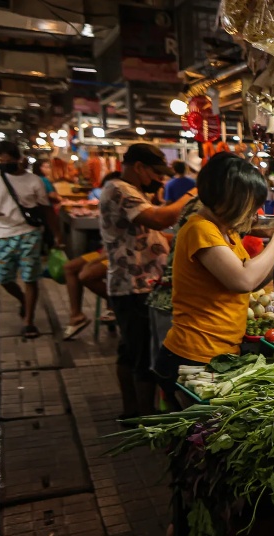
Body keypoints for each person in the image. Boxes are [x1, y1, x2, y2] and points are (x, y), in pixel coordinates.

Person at [153, 153, 274, 399]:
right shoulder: (200, 229)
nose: (255, 211)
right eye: (251, 203)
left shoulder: (225, 231)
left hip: (218, 352)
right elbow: (242, 280)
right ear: (230, 198)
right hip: (194, 355)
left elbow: (253, 281)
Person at [99, 143, 197, 420]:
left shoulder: (132, 191)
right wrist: (192, 193)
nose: (158, 180)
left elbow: (148, 236)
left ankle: (134, 412)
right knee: (140, 354)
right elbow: (159, 219)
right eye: (154, 173)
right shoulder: (119, 189)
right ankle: (144, 416)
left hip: (139, 284)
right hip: (133, 285)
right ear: (139, 167)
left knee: (131, 350)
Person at [0, 141, 60, 338]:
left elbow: (46, 209)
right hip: (2, 234)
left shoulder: (34, 181)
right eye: (1, 161)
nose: (5, 164)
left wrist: (57, 234)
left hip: (29, 233)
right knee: (4, 278)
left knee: (30, 278)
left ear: (19, 159)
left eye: (9, 161)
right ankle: (22, 298)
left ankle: (28, 321)